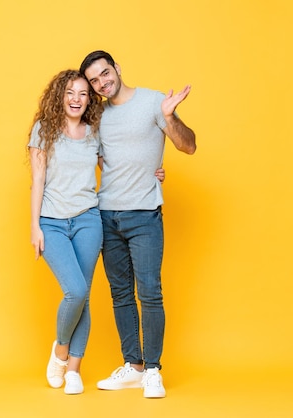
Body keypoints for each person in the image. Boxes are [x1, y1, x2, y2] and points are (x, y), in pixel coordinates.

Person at [79, 50, 197, 398]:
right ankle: (133, 366)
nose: (102, 83)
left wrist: (169, 117)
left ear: (117, 68)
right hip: (106, 214)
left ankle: (154, 370)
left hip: (144, 214)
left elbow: (188, 146)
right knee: (120, 294)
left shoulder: (154, 102)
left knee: (149, 292)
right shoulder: (98, 115)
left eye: (104, 73)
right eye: (95, 81)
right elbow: (99, 160)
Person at [28, 69, 104, 395]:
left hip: (88, 219)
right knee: (75, 289)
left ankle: (74, 370)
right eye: (70, 92)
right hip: (52, 222)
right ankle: (61, 350)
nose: (76, 99)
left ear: (90, 100)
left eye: (83, 93)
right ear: (60, 96)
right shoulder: (43, 130)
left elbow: (116, 169)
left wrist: (152, 172)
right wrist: (34, 226)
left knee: (84, 293)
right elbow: (38, 181)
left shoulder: (94, 133)